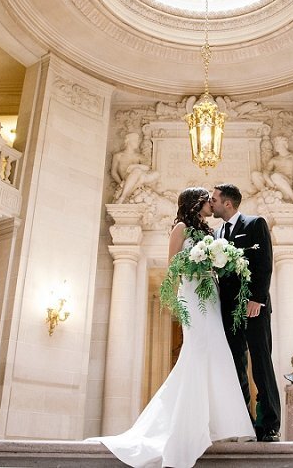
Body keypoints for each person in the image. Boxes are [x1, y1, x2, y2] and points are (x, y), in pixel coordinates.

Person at [92, 187, 255, 467]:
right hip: (193, 295)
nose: (210, 205)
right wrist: (197, 265)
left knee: (217, 353)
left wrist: (218, 264)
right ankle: (188, 427)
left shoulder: (209, 232)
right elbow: (173, 266)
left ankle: (223, 425)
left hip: (211, 296)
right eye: (207, 201)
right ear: (195, 204)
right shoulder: (180, 228)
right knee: (197, 352)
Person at [210, 183, 282, 442]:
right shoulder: (217, 233)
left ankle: (269, 423)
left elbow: (264, 264)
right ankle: (243, 422)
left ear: (228, 203)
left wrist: (257, 299)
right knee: (235, 365)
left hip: (253, 308)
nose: (212, 202)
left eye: (215, 199)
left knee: (260, 363)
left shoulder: (255, 224)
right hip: (228, 310)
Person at [250, 136, 293, 204]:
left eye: (278, 144)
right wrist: (270, 182)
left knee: (275, 176)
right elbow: (266, 172)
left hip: (287, 182)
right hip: (273, 184)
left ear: (285, 145)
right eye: (275, 144)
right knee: (254, 174)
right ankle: (266, 193)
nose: (276, 146)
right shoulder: (274, 159)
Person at [111, 132, 159, 204]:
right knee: (137, 172)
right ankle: (122, 197)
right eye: (135, 140)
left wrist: (135, 166)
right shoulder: (118, 156)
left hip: (138, 177)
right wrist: (121, 183)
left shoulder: (138, 156)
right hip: (126, 178)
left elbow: (147, 168)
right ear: (128, 141)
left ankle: (129, 191)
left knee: (156, 173)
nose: (137, 142)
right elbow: (113, 173)